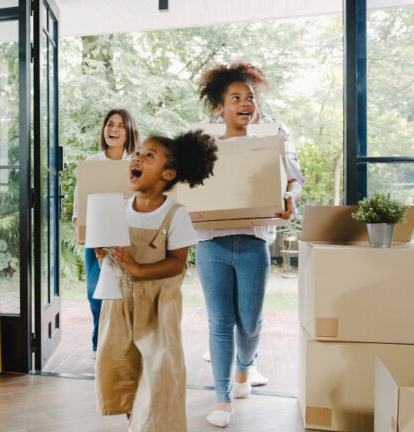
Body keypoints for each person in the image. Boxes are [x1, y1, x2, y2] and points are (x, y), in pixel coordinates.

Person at [196, 64, 305, 428]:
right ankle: (223, 398)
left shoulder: (270, 139)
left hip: (254, 240)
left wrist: (290, 195)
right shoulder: (204, 145)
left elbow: (294, 180)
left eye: (251, 98)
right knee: (219, 322)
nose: (246, 103)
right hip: (211, 242)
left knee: (250, 322)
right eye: (236, 98)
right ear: (221, 106)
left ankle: (245, 368)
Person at [94, 131, 217, 432]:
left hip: (158, 306)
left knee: (159, 371)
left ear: (167, 174)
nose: (137, 157)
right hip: (121, 304)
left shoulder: (175, 214)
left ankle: (153, 425)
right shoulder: (119, 208)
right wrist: (103, 254)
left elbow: (177, 264)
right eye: (137, 153)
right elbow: (112, 259)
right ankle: (133, 425)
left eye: (149, 155)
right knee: (123, 368)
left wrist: (138, 269)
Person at [72, 108, 140, 357]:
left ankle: (125, 343)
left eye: (121, 125)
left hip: (129, 237)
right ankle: (98, 342)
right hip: (97, 237)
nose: (114, 129)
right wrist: (84, 232)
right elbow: (81, 203)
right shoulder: (92, 164)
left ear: (129, 131)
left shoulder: (137, 162)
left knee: (126, 293)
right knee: (96, 294)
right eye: (110, 124)